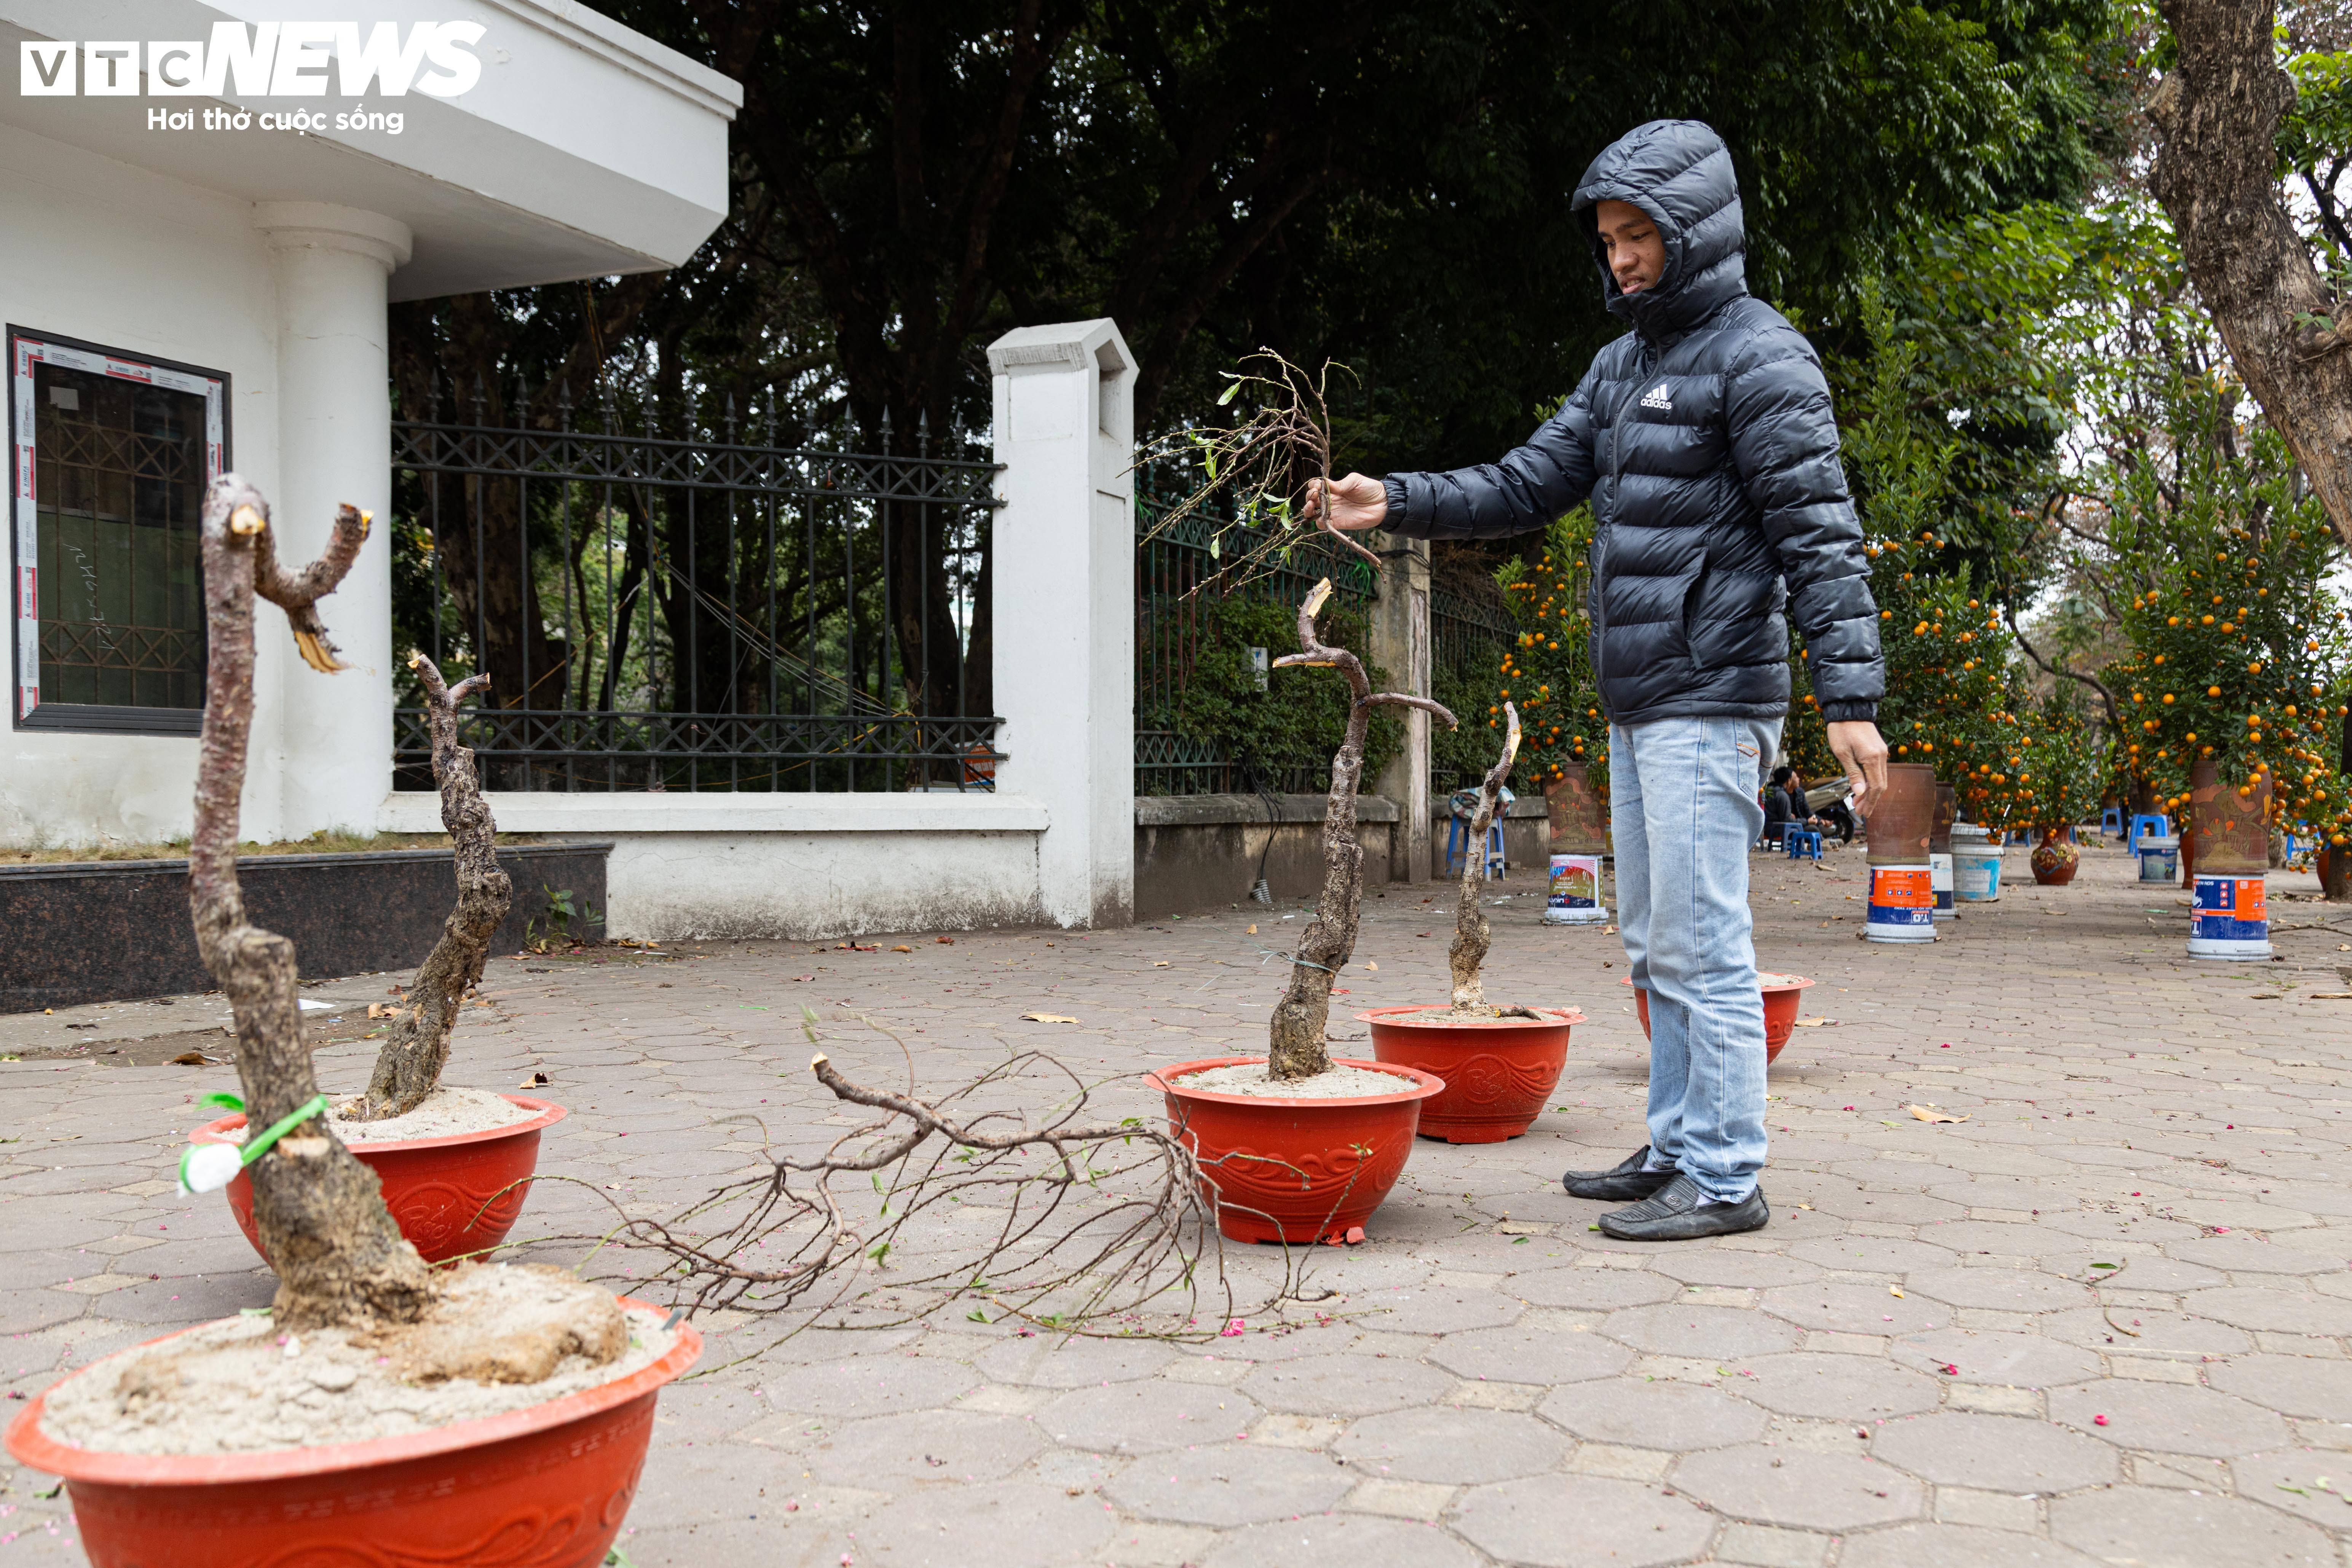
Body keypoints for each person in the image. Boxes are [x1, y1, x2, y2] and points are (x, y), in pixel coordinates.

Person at [1306, 119, 1889, 1240]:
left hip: (1713, 695)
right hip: (1643, 699)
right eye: (1609, 239)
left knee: (1703, 944)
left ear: (1694, 229)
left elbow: (1820, 535)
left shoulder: (1762, 357)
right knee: (1656, 945)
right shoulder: (1622, 366)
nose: (1620, 259)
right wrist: (1400, 500)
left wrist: (1850, 702)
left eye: (1639, 236)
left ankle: (1725, 1176)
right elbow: (1530, 479)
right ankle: (1676, 1146)